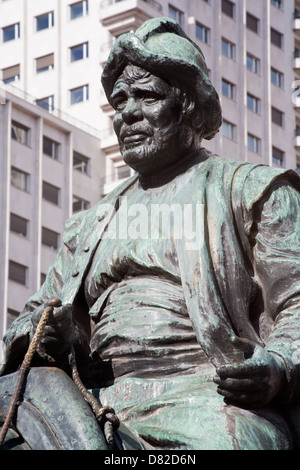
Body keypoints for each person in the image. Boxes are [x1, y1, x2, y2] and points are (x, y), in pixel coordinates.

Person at [1, 17, 300, 450]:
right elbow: (30, 318)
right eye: (119, 100)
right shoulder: (89, 225)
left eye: (146, 95)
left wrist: (278, 366)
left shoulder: (254, 190)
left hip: (207, 399)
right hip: (89, 403)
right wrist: (47, 333)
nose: (127, 112)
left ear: (189, 105)